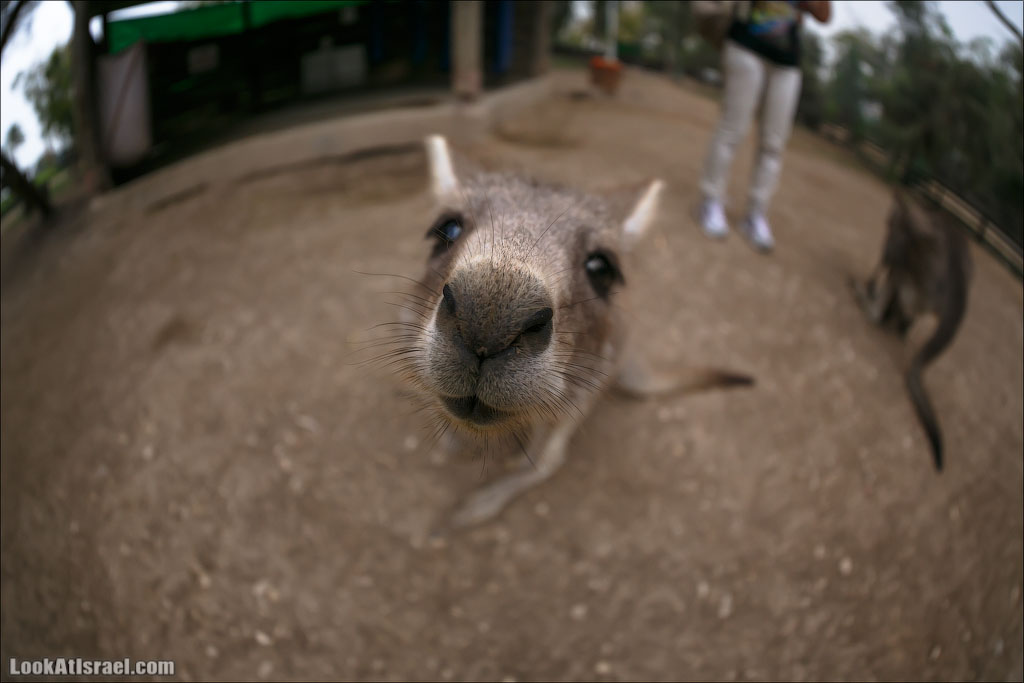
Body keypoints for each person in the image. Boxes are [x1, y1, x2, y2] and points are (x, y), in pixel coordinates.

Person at [696, 0, 832, 253]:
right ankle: (710, 200)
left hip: (787, 60)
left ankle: (755, 214)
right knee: (732, 130)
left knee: (774, 144)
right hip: (746, 44)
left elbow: (825, 16)